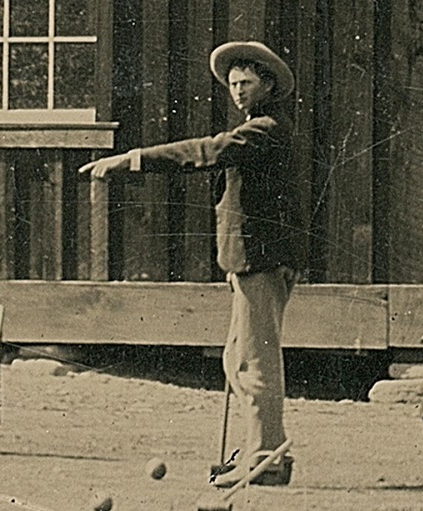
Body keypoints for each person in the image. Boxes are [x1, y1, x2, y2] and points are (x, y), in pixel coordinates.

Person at [79, 41, 300, 487]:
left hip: (260, 259)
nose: (238, 91)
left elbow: (208, 151)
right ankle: (259, 453)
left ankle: (266, 460)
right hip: (249, 258)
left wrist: (132, 159)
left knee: (254, 363)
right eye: (234, 84)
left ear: (268, 85)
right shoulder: (257, 127)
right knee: (238, 358)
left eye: (247, 83)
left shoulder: (266, 129)